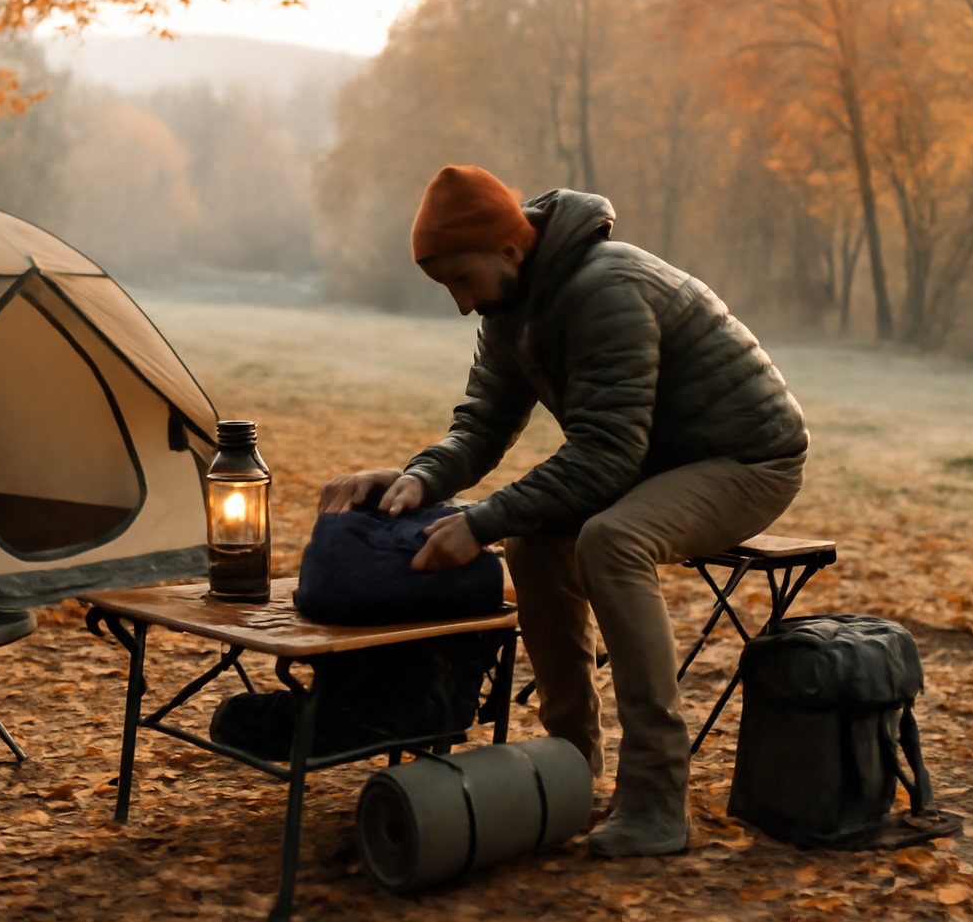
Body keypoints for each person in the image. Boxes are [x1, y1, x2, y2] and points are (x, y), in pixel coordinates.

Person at [317, 165, 808, 856]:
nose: (460, 304)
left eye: (461, 279)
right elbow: (483, 422)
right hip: (654, 458)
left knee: (612, 540)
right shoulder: (509, 306)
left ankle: (657, 798)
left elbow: (605, 454)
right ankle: (570, 766)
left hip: (748, 459)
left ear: (510, 251)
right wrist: (422, 479)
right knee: (534, 543)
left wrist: (480, 521)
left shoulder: (604, 288)